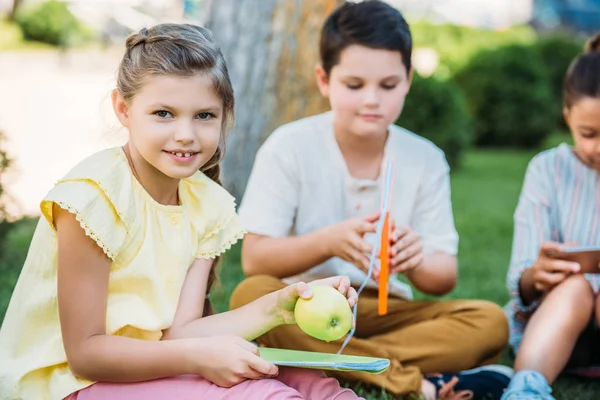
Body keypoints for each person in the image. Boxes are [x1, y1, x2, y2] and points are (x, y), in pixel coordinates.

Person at [0, 23, 364, 400]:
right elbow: (85, 355)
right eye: (163, 113)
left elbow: (181, 334)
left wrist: (278, 307)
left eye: (204, 116)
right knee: (262, 392)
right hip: (69, 385)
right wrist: (194, 358)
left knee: (306, 382)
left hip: (158, 361)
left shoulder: (207, 204)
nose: (186, 134)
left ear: (225, 114)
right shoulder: (93, 199)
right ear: (123, 109)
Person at [229, 1, 512, 399]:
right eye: (354, 85)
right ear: (324, 80)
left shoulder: (425, 159)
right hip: (305, 308)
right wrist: (328, 241)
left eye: (388, 85)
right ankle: (414, 382)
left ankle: (330, 363)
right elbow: (255, 260)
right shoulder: (288, 147)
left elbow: (442, 277)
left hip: (386, 311)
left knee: (490, 322)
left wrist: (415, 260)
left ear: (409, 80)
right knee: (250, 294)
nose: (372, 101)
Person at [501, 33, 600, 400]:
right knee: (576, 287)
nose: (599, 147)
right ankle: (526, 388)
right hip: (554, 325)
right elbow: (521, 281)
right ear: (567, 117)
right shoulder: (547, 169)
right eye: (588, 134)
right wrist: (536, 274)